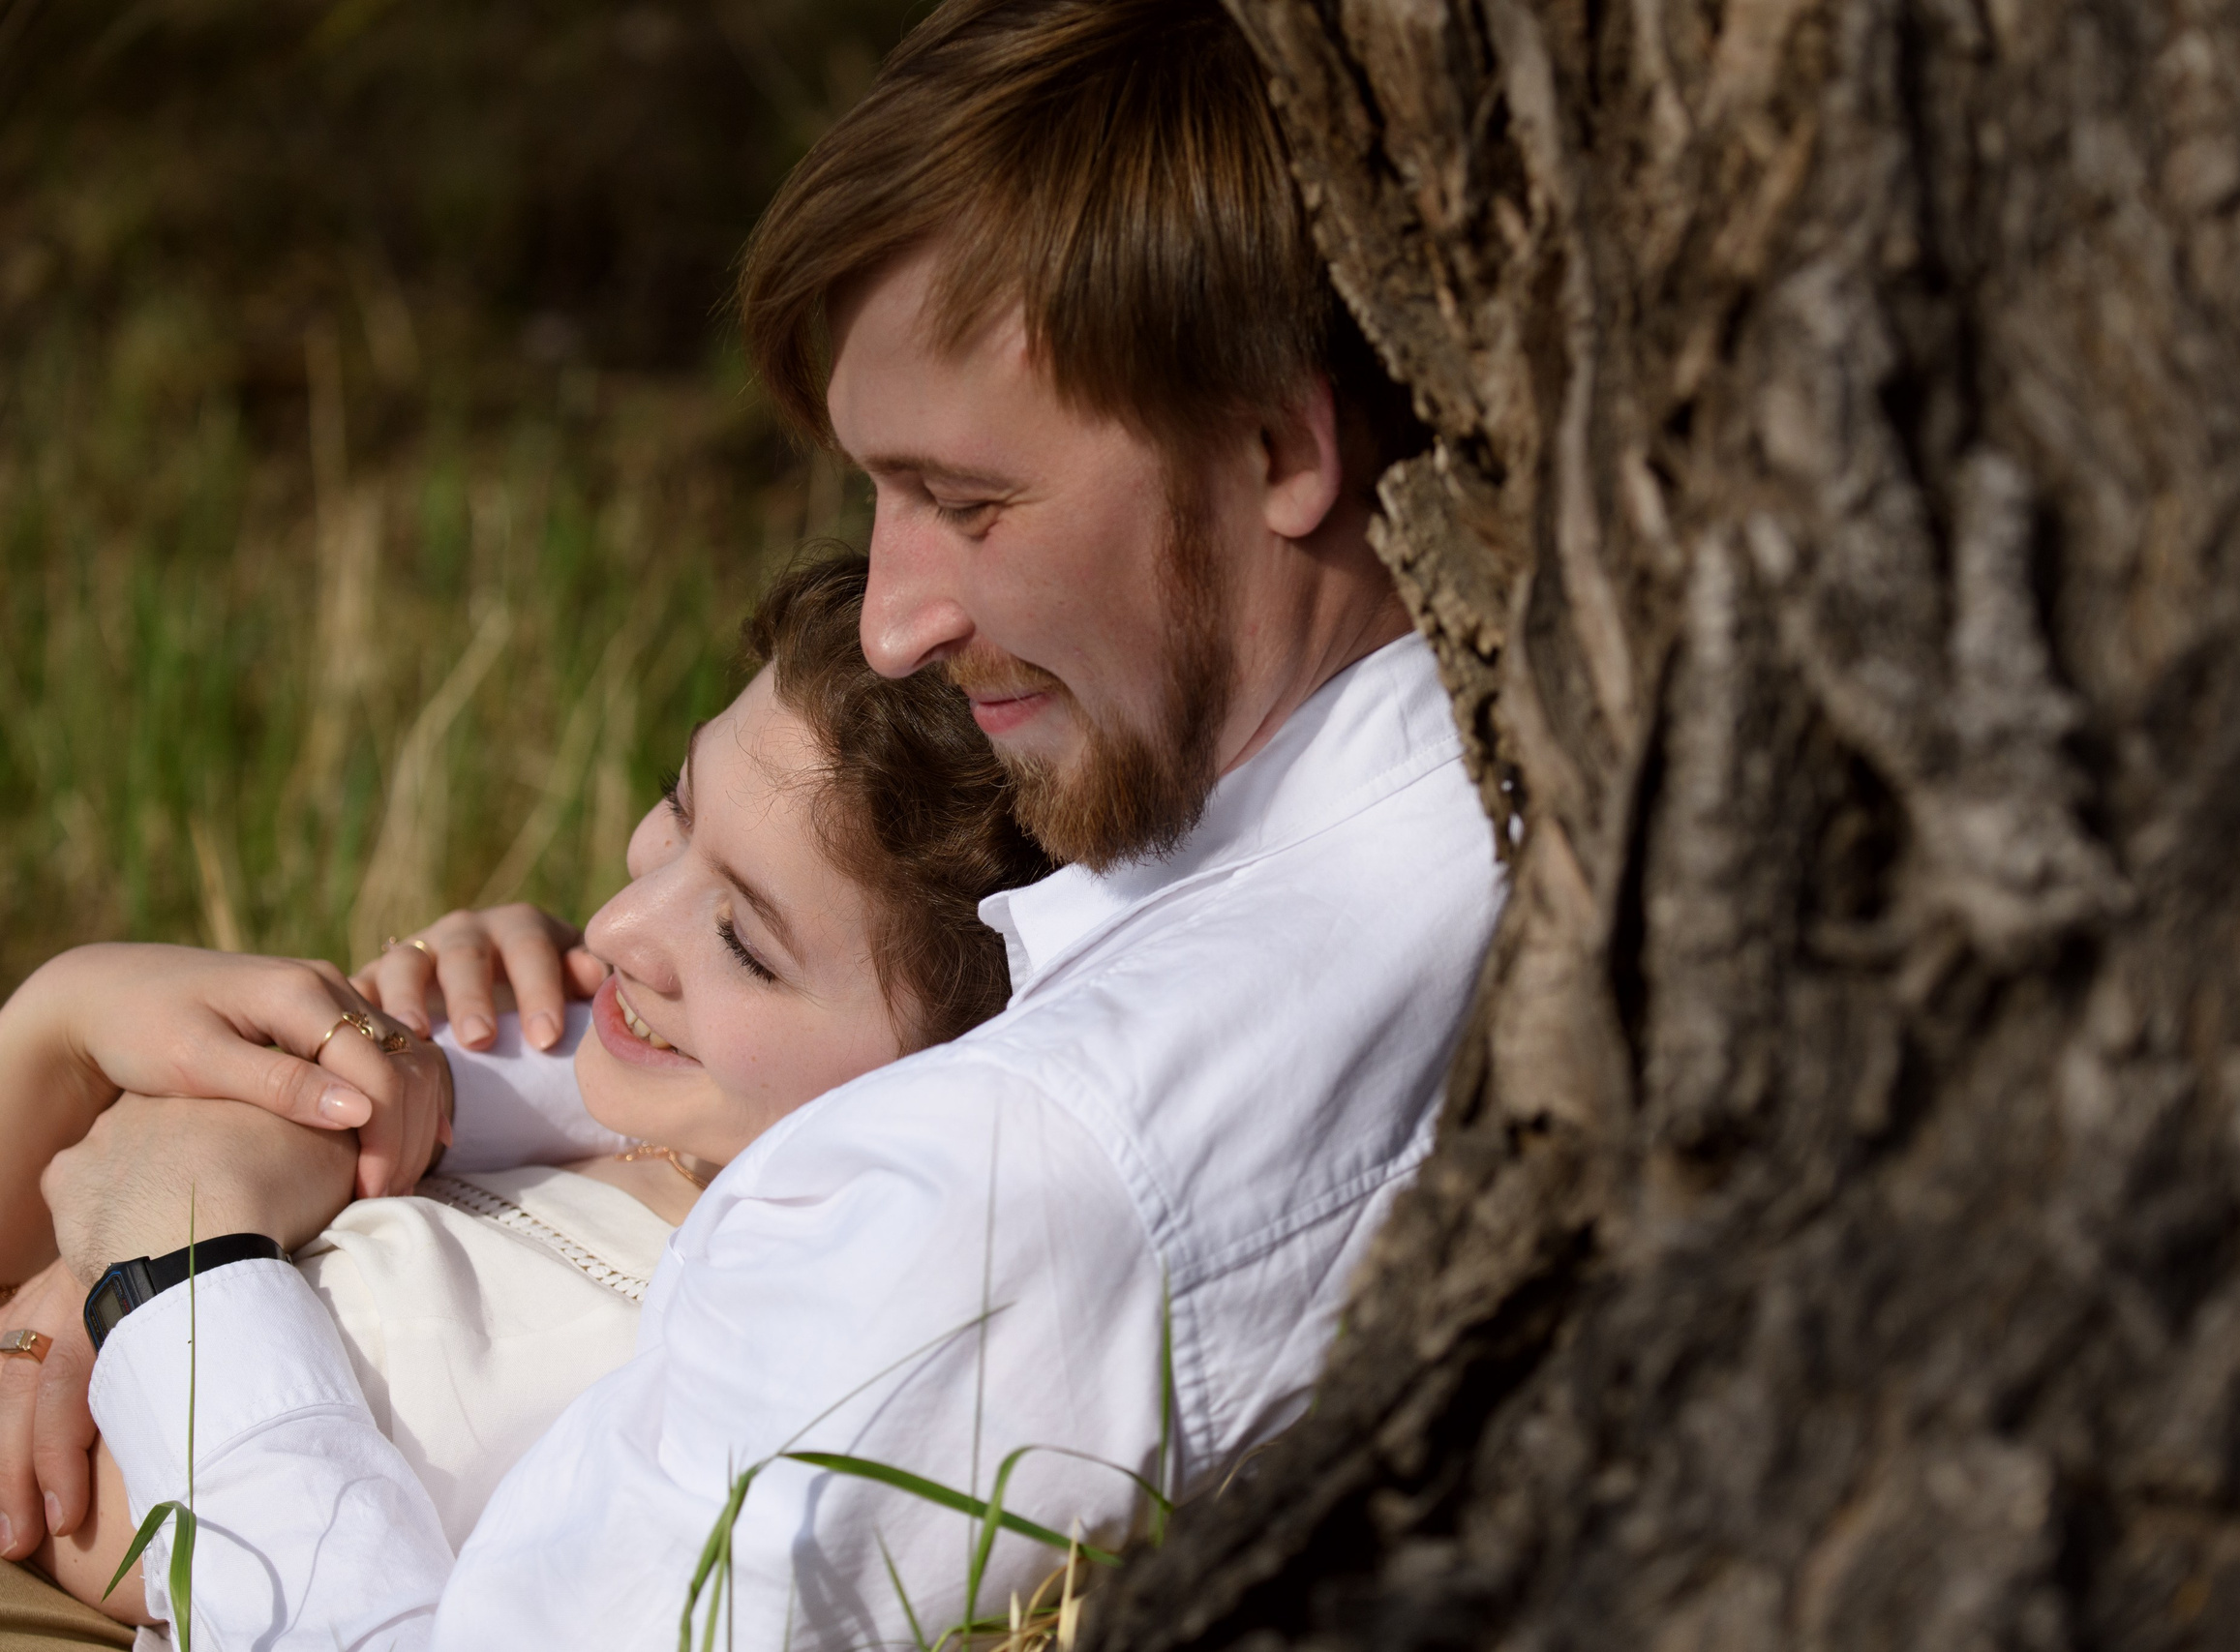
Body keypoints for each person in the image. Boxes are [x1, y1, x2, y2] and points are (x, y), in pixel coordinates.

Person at [4, 0, 1504, 1643]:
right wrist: (96, 1033)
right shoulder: (1481, 781)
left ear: (1278, 443)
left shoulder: (1008, 1171)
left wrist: (175, 1281)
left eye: (970, 501)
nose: (891, 620)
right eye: (880, 492)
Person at [1, 556, 1049, 1632]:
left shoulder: (724, 1378)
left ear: (950, 1078)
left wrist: (155, 1266)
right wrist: (75, 1018)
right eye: (678, 810)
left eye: (745, 943)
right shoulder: (587, 1080)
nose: (617, 925)